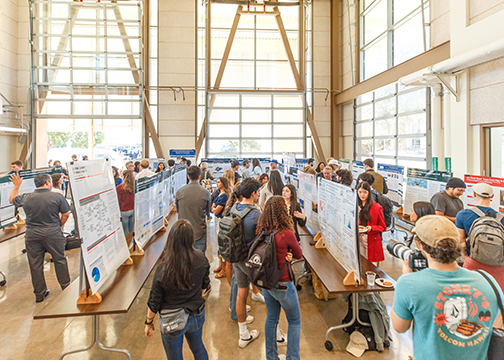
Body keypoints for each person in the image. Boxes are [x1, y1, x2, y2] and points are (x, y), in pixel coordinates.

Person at [391, 215, 504, 360]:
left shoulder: (409, 283)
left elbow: (400, 327)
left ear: (420, 245)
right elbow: (497, 322)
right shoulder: (488, 281)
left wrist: (406, 277)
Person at [145, 219, 210, 360]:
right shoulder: (201, 259)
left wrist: (149, 321)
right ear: (191, 238)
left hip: (172, 320)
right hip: (196, 314)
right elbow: (204, 287)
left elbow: (154, 300)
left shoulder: (164, 268)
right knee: (198, 348)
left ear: (171, 239)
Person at [9, 173, 71, 302]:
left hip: (32, 235)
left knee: (35, 264)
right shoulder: (57, 196)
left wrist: (16, 186)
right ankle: (66, 287)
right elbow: (66, 214)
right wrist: (59, 225)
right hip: (53, 233)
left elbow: (12, 200)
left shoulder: (26, 197)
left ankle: (39, 293)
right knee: (60, 260)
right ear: (48, 183)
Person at [256, 196, 303, 360]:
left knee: (271, 319)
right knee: (294, 321)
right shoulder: (287, 233)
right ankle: (292, 357)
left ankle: (271, 357)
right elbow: (299, 254)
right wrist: (288, 253)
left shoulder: (262, 230)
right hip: (283, 283)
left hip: (267, 282)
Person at [456, 183, 504, 291]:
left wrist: (464, 260)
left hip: (473, 261)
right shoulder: (501, 218)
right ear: (492, 196)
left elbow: (460, 240)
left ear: (474, 194)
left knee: (474, 293)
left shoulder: (463, 214)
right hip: (498, 263)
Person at [232, 178, 262, 348]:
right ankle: (278, 334)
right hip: (252, 261)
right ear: (253, 194)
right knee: (272, 298)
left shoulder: (234, 208)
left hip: (237, 258)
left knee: (241, 294)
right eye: (258, 192)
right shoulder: (255, 214)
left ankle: (243, 334)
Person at [176, 166, 211, 254]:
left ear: (188, 176)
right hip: (199, 232)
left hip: (183, 232)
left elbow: (178, 210)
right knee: (199, 259)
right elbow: (208, 212)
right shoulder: (206, 193)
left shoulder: (179, 192)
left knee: (183, 259)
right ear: (199, 176)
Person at [357, 181, 386, 265]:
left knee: (370, 265)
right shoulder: (355, 205)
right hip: (358, 237)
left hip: (370, 239)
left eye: (365, 192)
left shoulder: (376, 207)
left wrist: (372, 228)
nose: (362, 195)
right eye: (360, 192)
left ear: (369, 193)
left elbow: (383, 227)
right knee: (360, 263)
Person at [212, 177, 231, 279]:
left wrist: (214, 207)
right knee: (218, 244)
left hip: (220, 221)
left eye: (219, 182)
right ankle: (221, 265)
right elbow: (213, 206)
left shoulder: (224, 196)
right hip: (216, 220)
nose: (217, 183)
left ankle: (224, 269)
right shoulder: (217, 193)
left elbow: (216, 210)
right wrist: (214, 207)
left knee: (222, 244)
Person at [117, 170, 135, 237]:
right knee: (131, 230)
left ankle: (127, 245)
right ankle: (132, 244)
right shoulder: (135, 186)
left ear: (123, 176)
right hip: (132, 209)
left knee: (125, 231)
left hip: (124, 211)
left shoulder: (119, 188)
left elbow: (118, 201)